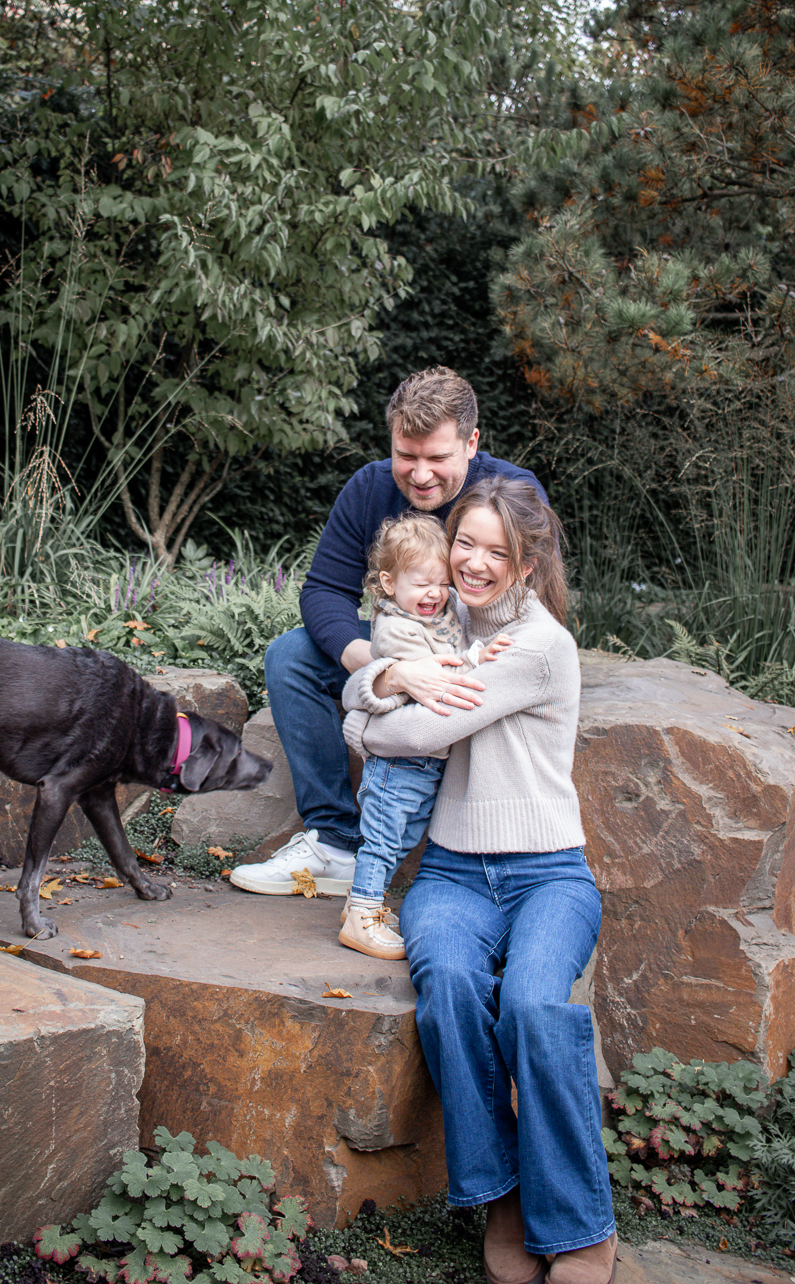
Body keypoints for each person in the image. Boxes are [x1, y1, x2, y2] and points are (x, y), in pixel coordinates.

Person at [340, 476, 617, 1284]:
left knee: (532, 1005)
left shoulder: (537, 646)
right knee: (452, 989)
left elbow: (406, 736)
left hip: (549, 876)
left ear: (528, 564)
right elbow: (355, 699)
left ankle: (578, 1221)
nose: (474, 563)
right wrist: (394, 679)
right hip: (453, 874)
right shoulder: (439, 621)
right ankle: (501, 1199)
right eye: (465, 542)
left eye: (499, 551)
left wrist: (392, 699)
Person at [229, 366, 546, 897]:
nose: (420, 475)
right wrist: (386, 669)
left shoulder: (513, 492)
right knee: (290, 655)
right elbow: (324, 590)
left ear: (471, 443)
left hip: (482, 657)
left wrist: (459, 669)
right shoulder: (370, 488)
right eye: (406, 455)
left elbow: (539, 605)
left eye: (437, 458)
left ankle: (459, 857)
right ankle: (334, 843)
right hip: (400, 644)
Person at [339, 510, 510, 959]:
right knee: (382, 840)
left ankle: (360, 904)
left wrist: (476, 651)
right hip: (398, 760)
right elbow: (437, 677)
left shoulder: (436, 612)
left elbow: (452, 649)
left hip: (427, 761)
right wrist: (478, 660)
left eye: (442, 582)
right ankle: (362, 915)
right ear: (389, 583)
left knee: (403, 836)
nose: (435, 593)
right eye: (422, 584)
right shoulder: (396, 629)